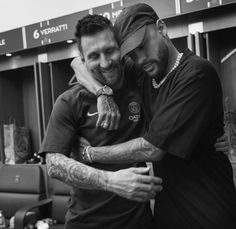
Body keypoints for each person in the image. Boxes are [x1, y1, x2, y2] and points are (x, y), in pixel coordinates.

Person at [74, 3, 236, 229]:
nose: (140, 59)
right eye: (131, 53)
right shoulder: (144, 73)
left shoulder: (196, 73)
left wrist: (90, 154)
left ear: (161, 28)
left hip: (207, 211)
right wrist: (102, 93)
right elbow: (79, 63)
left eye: (142, 45)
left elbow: (153, 148)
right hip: (167, 212)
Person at [39, 14, 163, 229]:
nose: (105, 62)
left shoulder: (139, 81)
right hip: (85, 223)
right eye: (94, 56)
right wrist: (109, 181)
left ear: (120, 48)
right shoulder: (70, 101)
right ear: (83, 59)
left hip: (139, 222)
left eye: (110, 50)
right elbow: (53, 164)